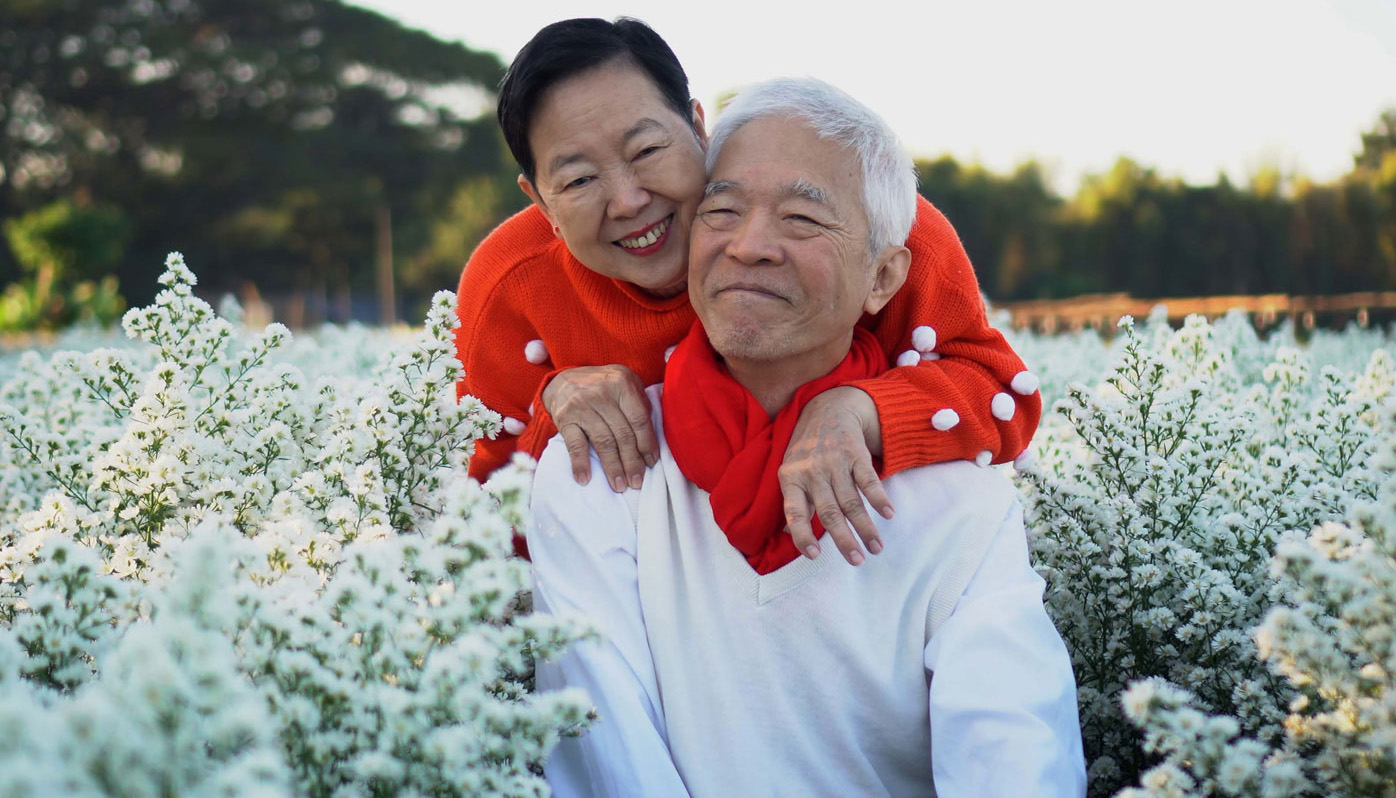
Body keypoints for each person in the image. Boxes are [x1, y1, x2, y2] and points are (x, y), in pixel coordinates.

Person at [530, 77, 1085, 798]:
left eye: (801, 219)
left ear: (884, 277)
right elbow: (603, 746)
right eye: (721, 210)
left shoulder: (962, 507)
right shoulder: (602, 469)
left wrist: (860, 409)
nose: (750, 246)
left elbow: (1012, 758)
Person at [455, 17, 1043, 565]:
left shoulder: (867, 226)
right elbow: (480, 519)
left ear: (697, 126)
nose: (629, 200)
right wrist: (553, 407)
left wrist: (859, 409)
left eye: (648, 151)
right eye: (579, 179)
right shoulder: (510, 283)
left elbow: (1003, 395)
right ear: (540, 202)